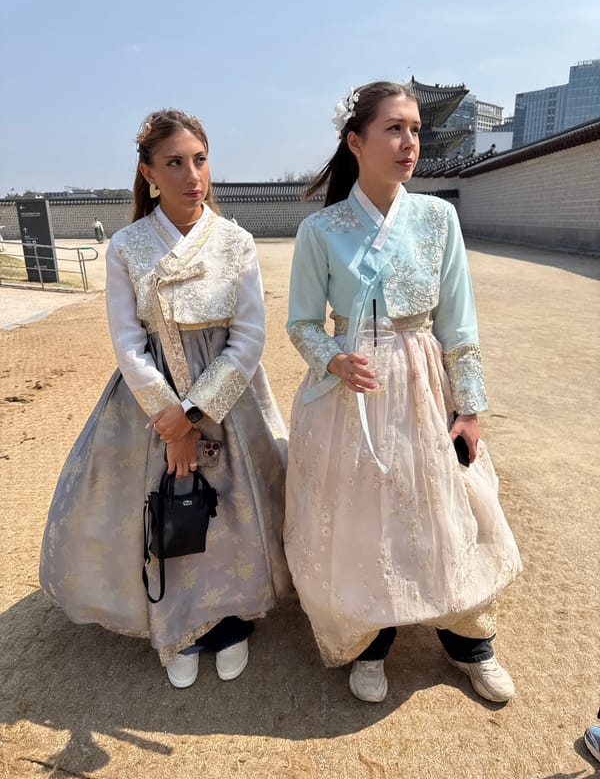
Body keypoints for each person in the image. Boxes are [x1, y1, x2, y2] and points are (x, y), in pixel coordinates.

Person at [284, 82, 522, 703]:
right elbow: (303, 322)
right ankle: (371, 638)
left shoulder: (438, 218)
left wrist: (469, 407)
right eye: (394, 129)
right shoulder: (321, 230)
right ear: (355, 141)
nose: (409, 142)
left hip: (424, 379)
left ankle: (468, 637)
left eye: (416, 129)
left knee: (445, 504)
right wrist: (333, 358)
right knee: (365, 512)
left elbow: (458, 322)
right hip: (350, 393)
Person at [40, 109, 291, 688]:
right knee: (162, 508)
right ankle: (176, 622)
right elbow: (128, 341)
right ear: (149, 172)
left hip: (229, 399)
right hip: (149, 404)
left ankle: (229, 621)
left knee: (230, 508)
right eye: (174, 163)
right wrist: (172, 424)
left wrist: (198, 413)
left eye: (199, 160)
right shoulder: (128, 245)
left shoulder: (236, 242)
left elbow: (250, 336)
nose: (190, 175)